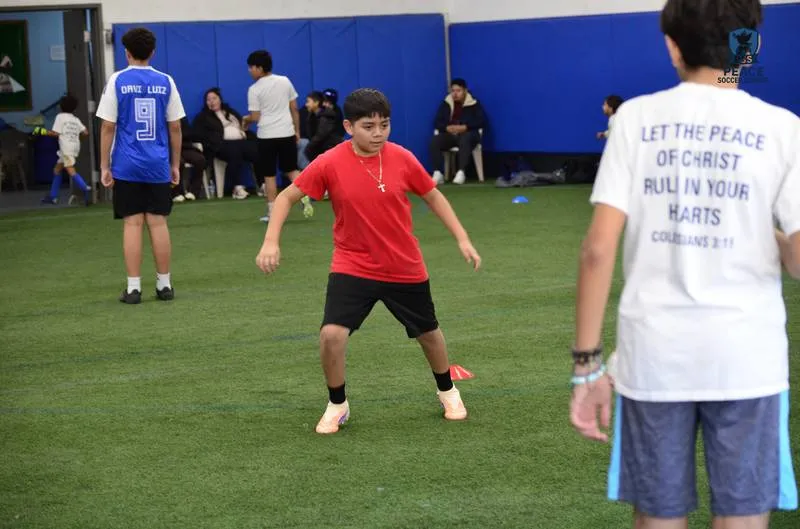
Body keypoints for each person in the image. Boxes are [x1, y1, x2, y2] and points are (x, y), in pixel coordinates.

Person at [570, 1, 798, 528]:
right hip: (749, 359)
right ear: (749, 44)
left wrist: (586, 366)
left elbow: (597, 249)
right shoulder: (783, 128)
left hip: (655, 358)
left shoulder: (634, 119)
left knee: (657, 518)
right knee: (743, 518)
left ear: (672, 46)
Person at [255, 88, 482, 435]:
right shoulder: (330, 161)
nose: (378, 134)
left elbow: (433, 196)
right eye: (368, 126)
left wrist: (463, 238)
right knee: (331, 334)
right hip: (353, 264)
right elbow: (287, 197)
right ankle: (337, 403)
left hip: (403, 264)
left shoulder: (402, 158)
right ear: (349, 126)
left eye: (384, 125)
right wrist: (271, 242)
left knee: (429, 334)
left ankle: (447, 390)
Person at [96, 27, 185, 304]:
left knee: (132, 224)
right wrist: (175, 164)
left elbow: (108, 126)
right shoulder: (166, 81)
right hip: (157, 163)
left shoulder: (117, 81)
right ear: (153, 52)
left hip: (127, 164)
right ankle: (164, 285)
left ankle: (134, 288)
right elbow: (175, 128)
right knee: (158, 224)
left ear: (126, 52)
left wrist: (104, 165)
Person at [241, 50, 313, 223]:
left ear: (259, 67)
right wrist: (297, 131)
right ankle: (304, 195)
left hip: (267, 135)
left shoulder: (254, 89)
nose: (249, 71)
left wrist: (245, 119)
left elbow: (256, 117)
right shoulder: (285, 81)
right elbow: (294, 108)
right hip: (286, 133)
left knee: (269, 174)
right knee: (292, 169)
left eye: (251, 67)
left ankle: (273, 212)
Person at [192, 87, 259, 199]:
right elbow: (199, 134)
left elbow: (242, 126)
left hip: (241, 142)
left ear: (220, 99)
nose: (212, 101)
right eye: (209, 99)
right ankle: (236, 188)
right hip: (220, 146)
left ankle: (262, 184)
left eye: (214, 98)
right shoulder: (203, 117)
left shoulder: (231, 112)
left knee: (258, 150)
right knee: (235, 152)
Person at [430, 78, 486, 185]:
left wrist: (465, 127)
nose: (455, 94)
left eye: (458, 91)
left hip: (468, 134)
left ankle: (461, 172)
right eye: (453, 91)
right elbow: (437, 122)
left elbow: (481, 121)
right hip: (450, 134)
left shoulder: (474, 103)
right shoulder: (446, 103)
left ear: (465, 90)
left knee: (465, 138)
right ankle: (438, 172)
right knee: (435, 141)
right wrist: (446, 128)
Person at [39, 94, 91, 206]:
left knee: (69, 169)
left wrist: (41, 131)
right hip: (74, 146)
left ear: (61, 107)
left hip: (65, 148)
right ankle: (53, 197)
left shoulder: (60, 117)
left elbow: (55, 133)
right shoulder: (75, 119)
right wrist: (78, 139)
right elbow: (86, 132)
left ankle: (85, 188)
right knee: (57, 170)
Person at [302, 90, 344, 164]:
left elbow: (322, 134)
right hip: (320, 150)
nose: (306, 104)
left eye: (308, 102)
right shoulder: (311, 115)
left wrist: (309, 147)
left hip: (330, 150)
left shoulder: (327, 116)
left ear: (316, 103)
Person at [172, 117, 207, 202]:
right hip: (169, 149)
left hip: (185, 147)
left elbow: (189, 134)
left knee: (200, 160)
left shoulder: (181, 117)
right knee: (179, 163)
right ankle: (176, 193)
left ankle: (193, 192)